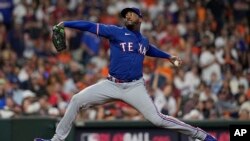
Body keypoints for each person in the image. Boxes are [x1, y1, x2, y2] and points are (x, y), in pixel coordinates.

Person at [35, 7, 216, 141]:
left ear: (140, 18)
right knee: (76, 100)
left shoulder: (142, 40)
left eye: (131, 13)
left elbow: (148, 49)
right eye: (125, 14)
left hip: (134, 87)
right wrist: (66, 23)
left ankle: (201, 135)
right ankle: (56, 140)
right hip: (111, 84)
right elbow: (89, 26)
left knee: (158, 120)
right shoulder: (116, 31)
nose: (127, 16)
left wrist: (168, 56)